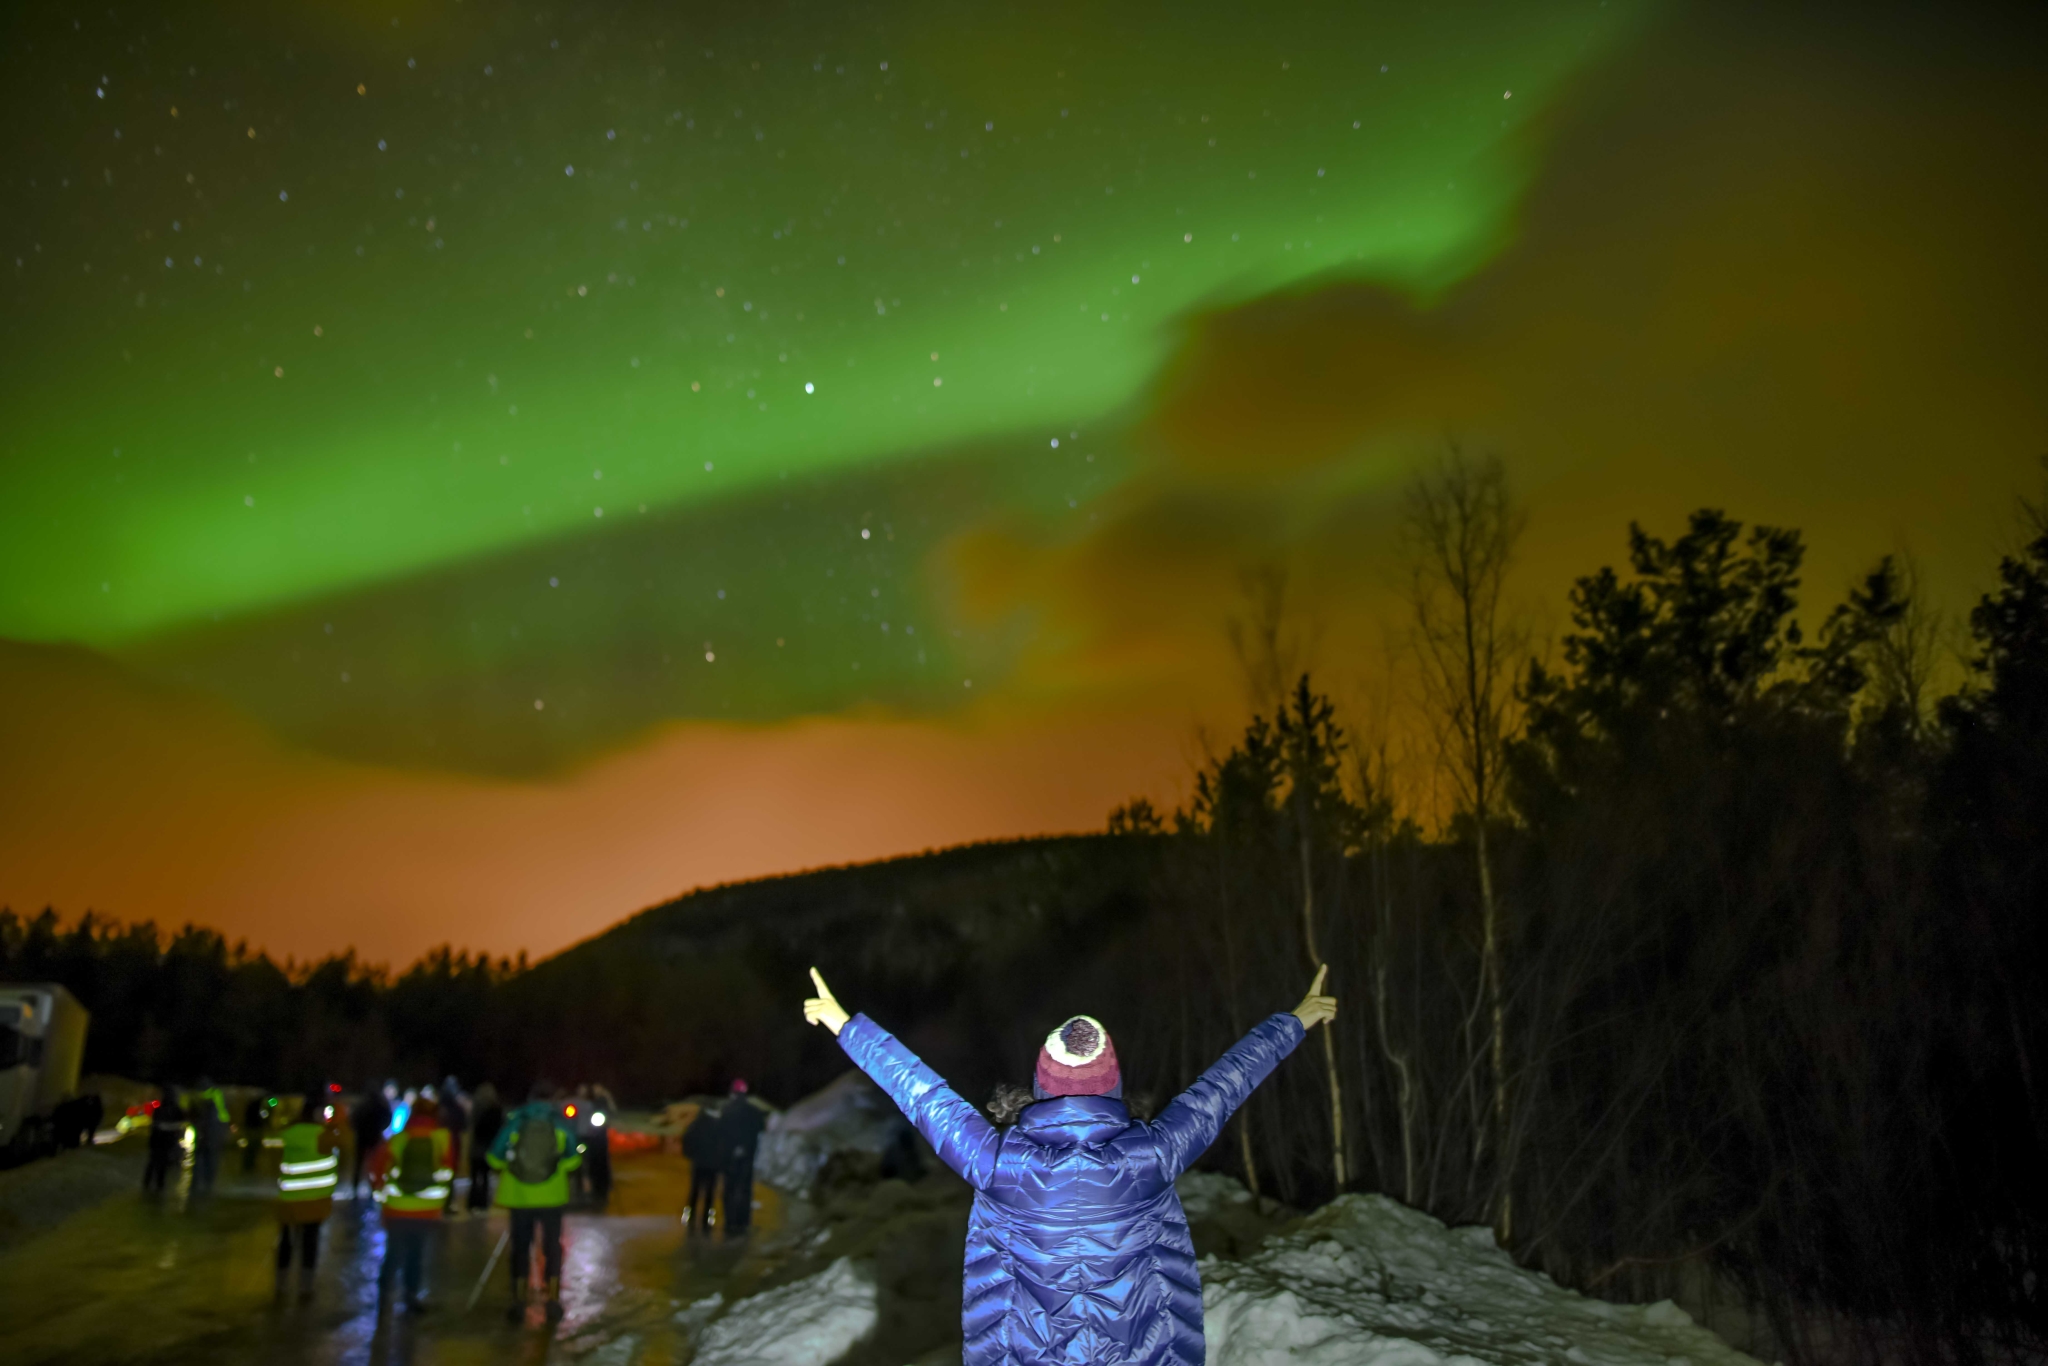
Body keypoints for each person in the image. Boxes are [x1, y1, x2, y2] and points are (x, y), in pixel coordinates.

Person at [802, 964, 1336, 1366]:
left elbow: (922, 1093)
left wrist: (844, 1024)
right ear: (1112, 1086)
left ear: (1041, 1085)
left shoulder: (998, 1161)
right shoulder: (1153, 1153)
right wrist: (1296, 1020)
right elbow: (1224, 1086)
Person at [487, 1080, 581, 1324]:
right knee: (552, 1247)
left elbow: (493, 1159)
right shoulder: (560, 1125)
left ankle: (518, 1301)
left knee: (520, 1248)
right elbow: (574, 1162)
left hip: (519, 1197)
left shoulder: (515, 1123)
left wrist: (514, 1166)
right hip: (551, 1197)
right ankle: (552, 1300)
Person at [368, 1095, 454, 1313]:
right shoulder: (442, 1139)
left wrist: (381, 1200)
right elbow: (447, 1172)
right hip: (426, 1208)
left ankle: (384, 1295)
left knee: (393, 1252)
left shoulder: (398, 1139)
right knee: (416, 1254)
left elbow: (377, 1170)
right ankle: (411, 1297)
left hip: (397, 1207)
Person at [274, 1089, 345, 1299]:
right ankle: (305, 1286)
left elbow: (274, 1161)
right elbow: (345, 1145)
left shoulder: (288, 1133)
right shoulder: (324, 1135)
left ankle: (281, 1284)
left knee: (286, 1242)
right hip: (315, 1200)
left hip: (289, 1198)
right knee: (310, 1242)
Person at [714, 1079, 770, 1237]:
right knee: (745, 1190)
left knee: (729, 1190)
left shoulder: (726, 1110)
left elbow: (719, 1133)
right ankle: (743, 1222)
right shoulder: (753, 1111)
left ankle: (730, 1222)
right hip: (747, 1157)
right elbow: (761, 1128)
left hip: (729, 1158)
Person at [681, 1099, 723, 1235]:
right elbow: (723, 1144)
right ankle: (707, 1221)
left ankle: (688, 1217)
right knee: (710, 1195)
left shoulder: (696, 1124)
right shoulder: (718, 1125)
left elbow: (687, 1140)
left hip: (698, 1164)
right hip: (713, 1165)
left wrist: (690, 1155)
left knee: (694, 1192)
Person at [467, 1082, 504, 1211]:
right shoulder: (495, 1108)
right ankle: (483, 1203)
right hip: (489, 1147)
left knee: (474, 1177)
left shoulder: (475, 1107)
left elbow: (470, 1126)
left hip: (475, 1148)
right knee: (485, 1178)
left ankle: (472, 1202)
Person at [350, 1081, 392, 1196]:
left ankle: (356, 1186)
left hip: (362, 1136)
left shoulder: (362, 1105)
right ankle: (372, 1188)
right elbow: (388, 1118)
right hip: (374, 1136)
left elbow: (353, 1119)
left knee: (359, 1163)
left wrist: (357, 1129)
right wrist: (380, 1129)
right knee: (374, 1163)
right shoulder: (381, 1104)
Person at [189, 1077, 229, 1195]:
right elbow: (223, 1117)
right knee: (210, 1159)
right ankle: (207, 1183)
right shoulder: (217, 1096)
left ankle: (196, 1183)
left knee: (199, 1158)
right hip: (213, 1135)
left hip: (203, 1134)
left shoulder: (197, 1098)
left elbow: (192, 1116)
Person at [143, 1087, 186, 1193]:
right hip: (166, 1142)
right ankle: (158, 1187)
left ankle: (148, 1186)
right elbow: (181, 1124)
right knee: (161, 1164)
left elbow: (154, 1126)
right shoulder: (176, 1110)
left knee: (153, 1163)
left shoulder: (160, 1109)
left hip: (158, 1141)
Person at [242, 1093, 270, 1172]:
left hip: (251, 1128)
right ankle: (249, 1166)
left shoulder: (253, 1104)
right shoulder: (260, 1105)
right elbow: (271, 1105)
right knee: (253, 1147)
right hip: (255, 1128)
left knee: (251, 1148)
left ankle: (248, 1166)